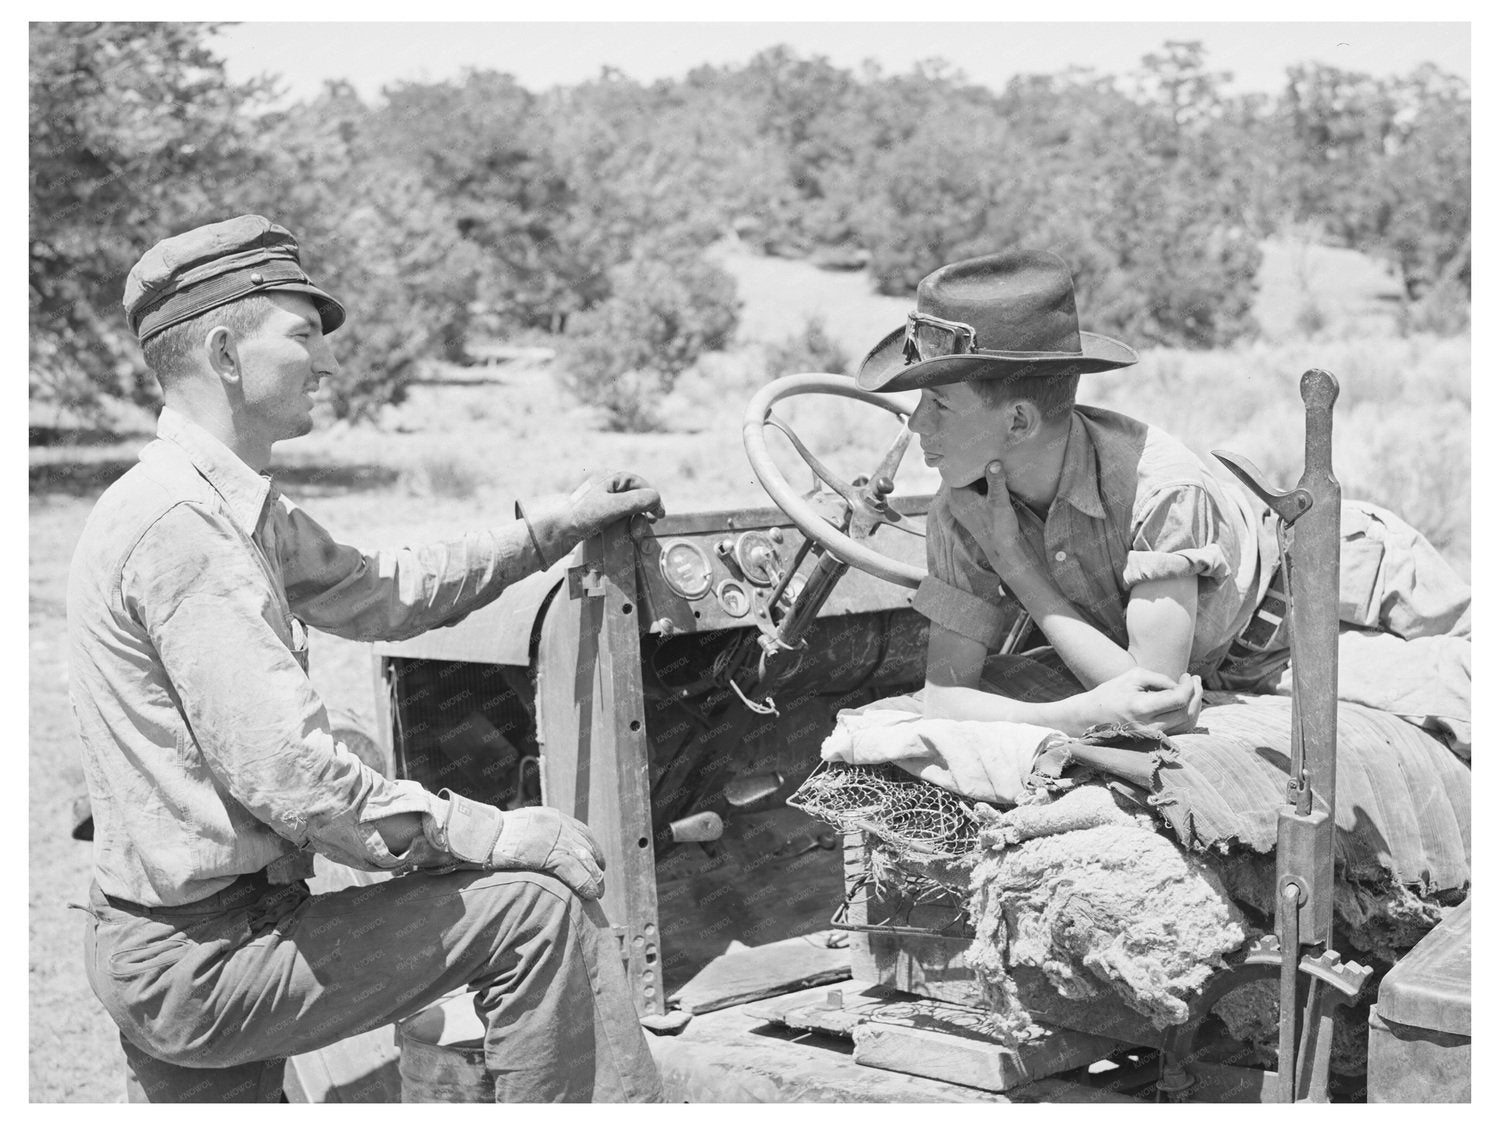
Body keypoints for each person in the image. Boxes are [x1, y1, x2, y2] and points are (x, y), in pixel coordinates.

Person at [67, 214, 666, 1102]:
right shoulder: (185, 531)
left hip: (174, 938)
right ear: (226, 352)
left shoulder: (209, 503)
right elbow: (294, 771)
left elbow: (381, 588)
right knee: (536, 913)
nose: (331, 362)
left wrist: (552, 527)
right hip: (206, 953)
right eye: (304, 335)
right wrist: (497, 831)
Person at [854, 250, 1470, 755]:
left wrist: (1016, 565)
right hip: (1234, 665)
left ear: (1017, 421)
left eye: (938, 406)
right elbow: (948, 696)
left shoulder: (1161, 486)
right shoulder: (962, 507)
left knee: (1468, 702)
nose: (916, 428)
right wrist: (1077, 715)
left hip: (1335, 586)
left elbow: (1151, 693)